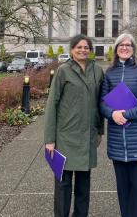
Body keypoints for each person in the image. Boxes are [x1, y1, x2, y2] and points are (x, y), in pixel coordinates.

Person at [44, 34, 104, 217]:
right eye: (79, 47)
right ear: (71, 50)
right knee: (63, 186)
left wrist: (100, 130)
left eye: (86, 47)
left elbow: (100, 102)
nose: (82, 50)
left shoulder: (98, 70)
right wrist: (49, 139)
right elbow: (51, 104)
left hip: (87, 135)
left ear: (90, 50)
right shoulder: (63, 71)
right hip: (65, 136)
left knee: (83, 187)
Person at [100, 33, 137, 217]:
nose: (124, 48)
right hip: (117, 140)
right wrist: (112, 113)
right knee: (122, 190)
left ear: (133, 48)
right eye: (121, 45)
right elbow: (102, 103)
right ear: (116, 49)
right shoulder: (110, 72)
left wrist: (125, 114)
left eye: (128, 45)